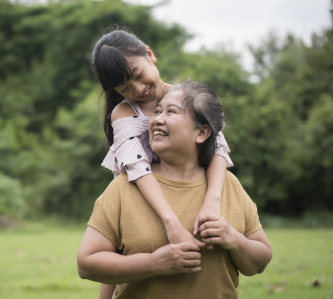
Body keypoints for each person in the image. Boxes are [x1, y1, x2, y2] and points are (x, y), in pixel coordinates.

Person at [77, 80, 272, 299]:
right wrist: (154, 263)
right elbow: (86, 264)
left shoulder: (228, 185)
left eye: (171, 112)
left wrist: (233, 239)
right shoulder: (124, 187)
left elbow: (260, 262)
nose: (157, 119)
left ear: (202, 133)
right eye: (157, 111)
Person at [91, 29, 233, 297]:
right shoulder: (124, 112)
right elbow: (138, 167)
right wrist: (171, 222)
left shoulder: (188, 98)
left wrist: (212, 201)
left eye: (138, 76)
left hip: (187, 183)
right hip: (142, 190)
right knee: (117, 247)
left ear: (150, 54)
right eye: (124, 88)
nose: (137, 90)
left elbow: (218, 149)